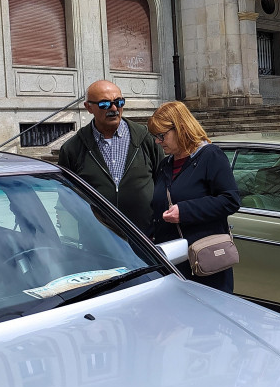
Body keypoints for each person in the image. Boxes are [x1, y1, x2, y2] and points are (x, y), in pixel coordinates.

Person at [148, 101, 240, 293]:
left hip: (205, 264)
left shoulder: (211, 156)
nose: (158, 141)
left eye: (161, 135)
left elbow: (230, 200)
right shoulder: (165, 164)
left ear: (180, 128)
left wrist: (185, 211)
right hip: (172, 264)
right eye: (156, 137)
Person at [58, 80, 163, 235]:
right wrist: (90, 220)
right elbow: (66, 197)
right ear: (88, 107)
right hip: (98, 243)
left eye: (119, 102)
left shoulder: (146, 139)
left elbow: (163, 183)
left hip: (145, 241)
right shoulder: (72, 149)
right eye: (105, 104)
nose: (114, 108)